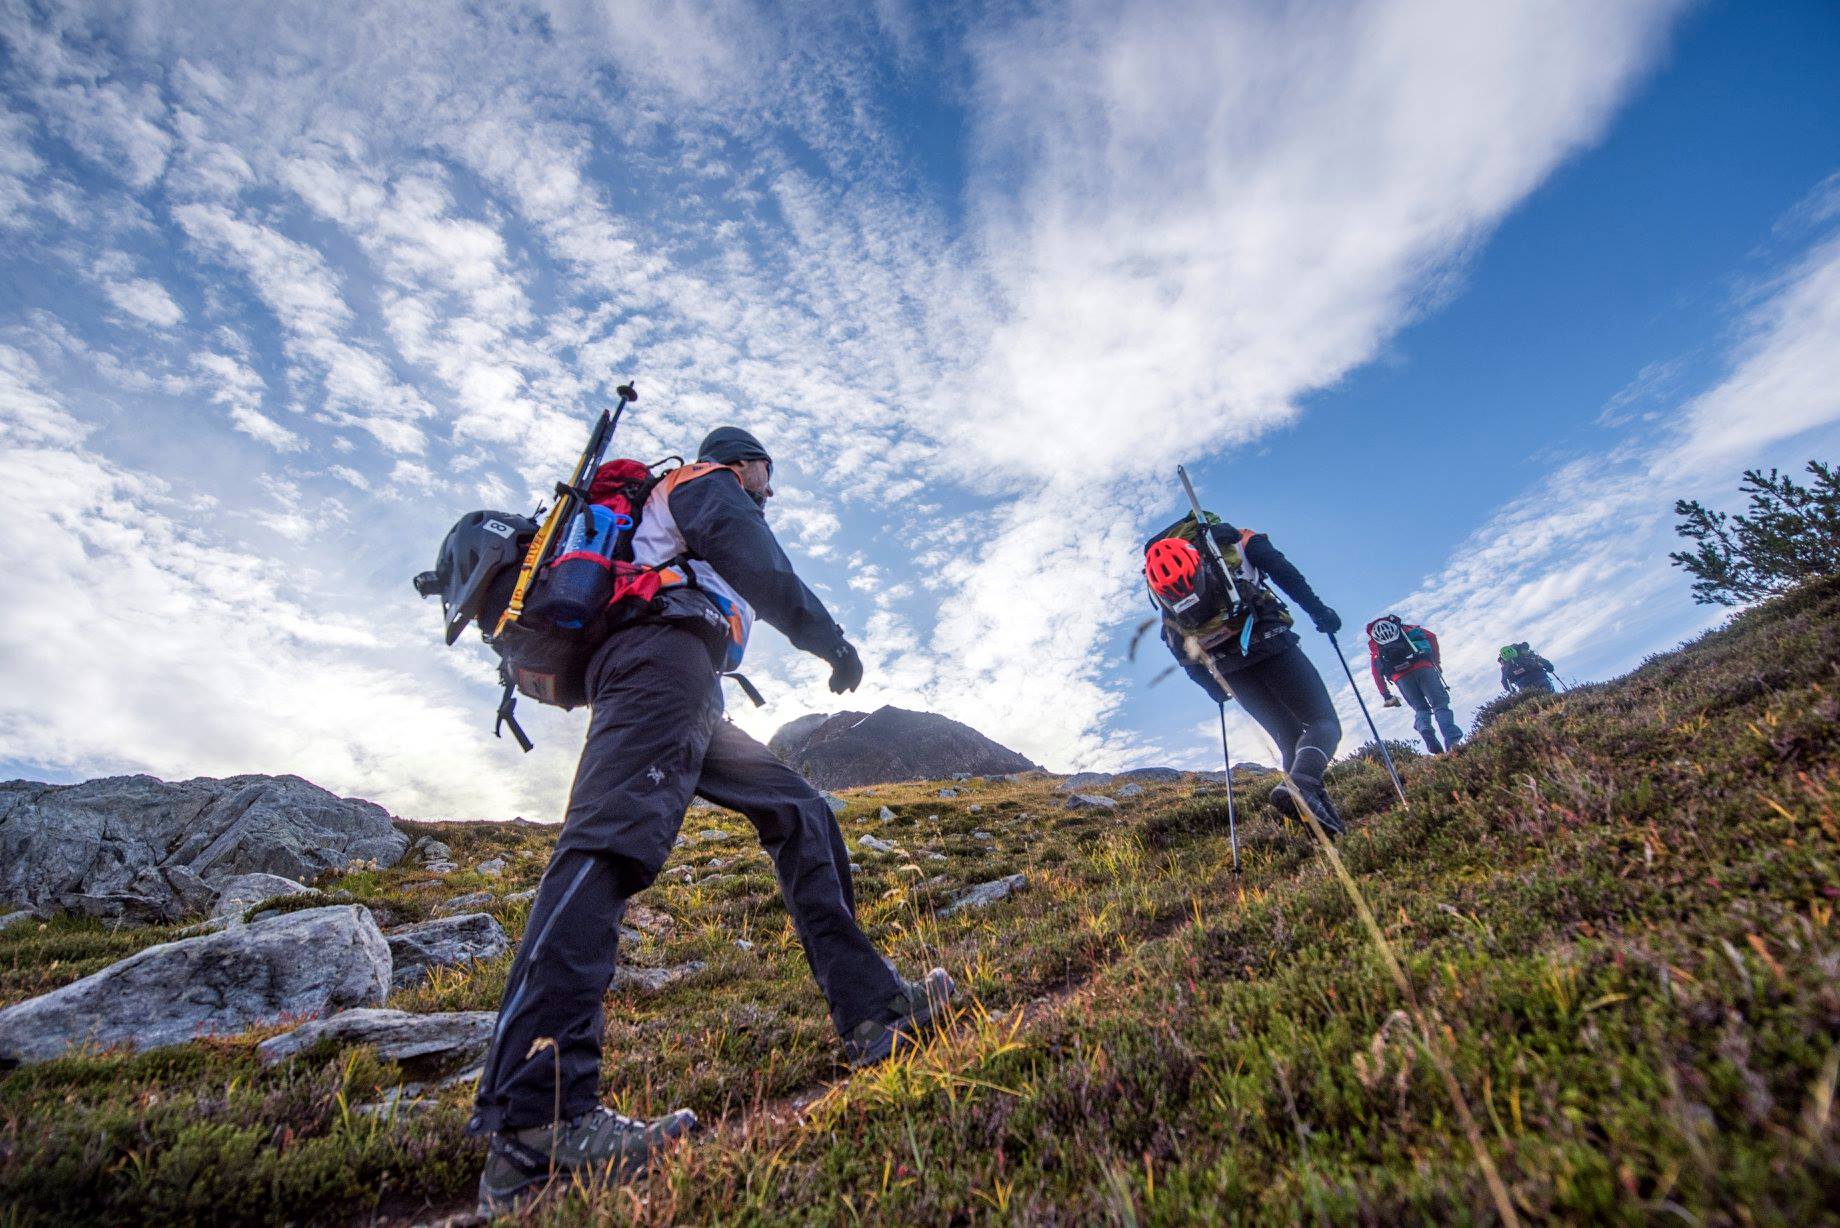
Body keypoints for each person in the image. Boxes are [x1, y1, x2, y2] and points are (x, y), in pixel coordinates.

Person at [441, 426, 952, 1215]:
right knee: (607, 847)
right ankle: (534, 1124)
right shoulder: (701, 482)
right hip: (658, 663)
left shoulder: (667, 507)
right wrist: (827, 640)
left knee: (801, 811)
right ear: (740, 460)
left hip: (680, 676)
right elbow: (758, 560)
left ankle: (875, 1014)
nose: (769, 491)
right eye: (766, 474)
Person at [1145, 514, 1347, 836]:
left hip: (1229, 669)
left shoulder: (1159, 586)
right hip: (1270, 641)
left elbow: (1174, 639)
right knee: (1323, 724)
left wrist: (1213, 688)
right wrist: (1319, 612)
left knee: (1289, 738)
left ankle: (1327, 834)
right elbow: (1285, 574)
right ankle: (1302, 786)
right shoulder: (1237, 539)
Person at [1366, 614, 1462, 754]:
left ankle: (1425, 729)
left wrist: (1386, 695)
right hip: (1424, 667)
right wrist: (1436, 662)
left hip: (1401, 678)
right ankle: (1453, 741)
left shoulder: (1376, 648)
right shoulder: (1407, 630)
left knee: (1421, 709)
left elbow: (1376, 673)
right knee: (1440, 705)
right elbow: (1432, 637)